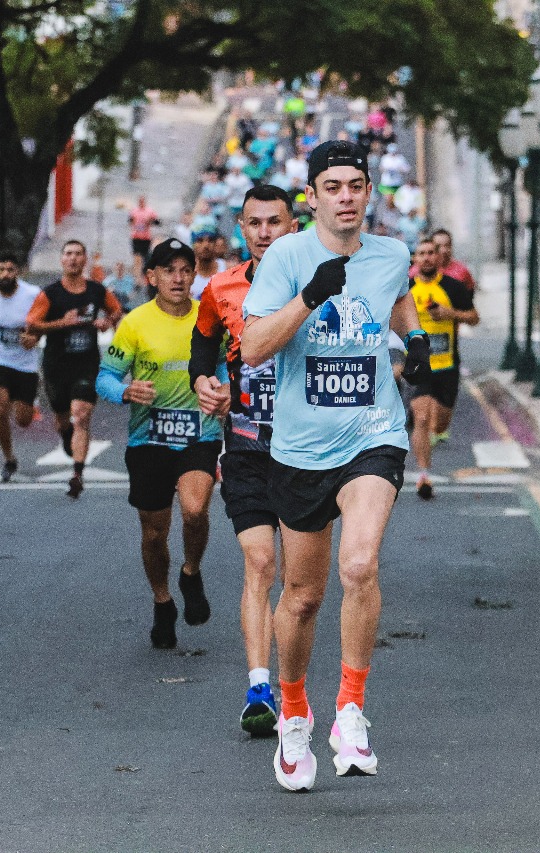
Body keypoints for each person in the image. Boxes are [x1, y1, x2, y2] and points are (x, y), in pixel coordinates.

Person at [241, 140, 432, 791]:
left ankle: (351, 710)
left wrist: (419, 338)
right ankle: (294, 712)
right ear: (313, 196)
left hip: (371, 434)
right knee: (302, 595)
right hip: (299, 449)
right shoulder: (287, 257)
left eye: (356, 184)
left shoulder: (390, 253)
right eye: (334, 185)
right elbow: (251, 349)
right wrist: (306, 299)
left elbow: (394, 299)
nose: (346, 195)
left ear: (368, 191)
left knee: (360, 563)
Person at [189, 185, 297, 736]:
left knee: (302, 585)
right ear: (241, 226)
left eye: (273, 222)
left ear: (293, 225)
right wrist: (205, 382)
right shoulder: (221, 286)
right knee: (260, 564)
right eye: (253, 223)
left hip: (308, 454)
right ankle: (260, 689)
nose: (262, 233)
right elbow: (203, 345)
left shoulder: (318, 281)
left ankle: (294, 688)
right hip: (248, 448)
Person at [96, 239, 225, 649]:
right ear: (151, 277)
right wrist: (125, 391)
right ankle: (162, 601)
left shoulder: (208, 318)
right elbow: (105, 378)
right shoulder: (134, 323)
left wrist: (222, 388)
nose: (178, 277)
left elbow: (223, 364)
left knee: (194, 510)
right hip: (147, 438)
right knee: (154, 533)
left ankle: (191, 571)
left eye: (185, 269)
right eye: (168, 270)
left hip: (198, 433)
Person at [25, 239, 124, 498]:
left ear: (85, 259)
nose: (73, 259)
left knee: (81, 415)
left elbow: (116, 311)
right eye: (68, 254)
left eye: (78, 254)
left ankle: (77, 474)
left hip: (86, 364)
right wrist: (62, 323)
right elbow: (32, 324)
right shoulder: (50, 294)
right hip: (56, 365)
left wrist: (107, 321)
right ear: (61, 259)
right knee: (62, 419)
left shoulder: (96, 290)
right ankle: (65, 433)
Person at [405, 238, 479, 499]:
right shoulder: (406, 289)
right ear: (415, 259)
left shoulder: (453, 287)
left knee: (440, 423)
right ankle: (423, 475)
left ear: (438, 258)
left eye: (430, 253)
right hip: (419, 365)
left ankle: (435, 435)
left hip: (447, 365)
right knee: (422, 418)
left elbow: (474, 317)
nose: (425, 258)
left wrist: (451, 314)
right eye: (421, 253)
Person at [0, 252, 42, 481]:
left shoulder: (32, 294)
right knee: (1, 410)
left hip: (26, 364)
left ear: (18, 272)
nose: (5, 274)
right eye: (1, 269)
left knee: (23, 420)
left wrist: (35, 337)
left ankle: (29, 402)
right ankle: (9, 458)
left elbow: (44, 322)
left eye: (10, 270)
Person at [189, 228, 228, 300]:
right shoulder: (186, 273)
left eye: (210, 240)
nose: (206, 245)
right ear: (193, 245)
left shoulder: (227, 269)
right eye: (200, 241)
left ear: (216, 244)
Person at [128, 196, 160, 277]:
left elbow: (157, 222)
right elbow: (130, 221)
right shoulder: (134, 211)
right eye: (140, 201)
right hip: (136, 237)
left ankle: (144, 276)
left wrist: (150, 221)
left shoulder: (149, 211)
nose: (141, 202)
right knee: (137, 258)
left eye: (142, 201)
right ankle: (137, 278)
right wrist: (134, 223)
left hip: (146, 238)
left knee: (145, 257)